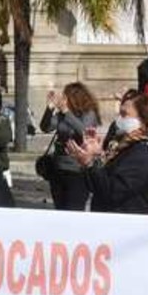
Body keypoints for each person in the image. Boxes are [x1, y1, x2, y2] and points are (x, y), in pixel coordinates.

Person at [67, 94, 148, 214]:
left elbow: (113, 192)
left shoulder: (144, 153)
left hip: (128, 224)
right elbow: (96, 185)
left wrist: (89, 163)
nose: (119, 119)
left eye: (124, 114)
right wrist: (95, 155)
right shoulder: (122, 146)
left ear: (144, 120)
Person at [40, 83, 102, 212]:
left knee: (73, 210)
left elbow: (84, 131)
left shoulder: (88, 113)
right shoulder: (62, 114)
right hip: (59, 167)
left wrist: (67, 112)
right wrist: (49, 108)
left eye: (66, 96)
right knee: (60, 209)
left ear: (75, 97)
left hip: (77, 170)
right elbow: (45, 127)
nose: (63, 99)